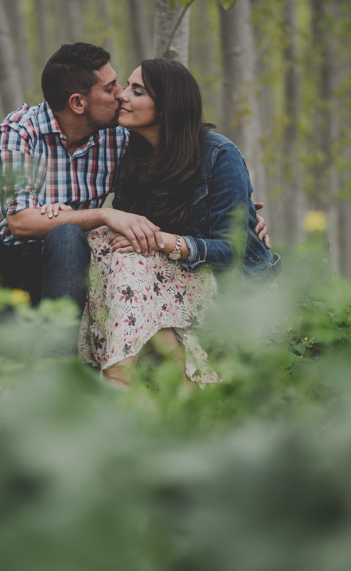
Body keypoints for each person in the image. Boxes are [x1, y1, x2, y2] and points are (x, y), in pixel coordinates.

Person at [0, 43, 269, 319]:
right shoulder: (20, 131)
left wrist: (242, 216)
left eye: (126, 86)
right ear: (78, 103)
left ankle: (57, 362)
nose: (121, 95)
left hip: (62, 271)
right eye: (111, 88)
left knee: (66, 234)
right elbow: (19, 222)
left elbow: (174, 181)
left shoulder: (119, 139)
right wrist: (103, 214)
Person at [77, 58, 282, 387]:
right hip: (170, 281)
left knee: (123, 250)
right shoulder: (135, 155)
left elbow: (232, 252)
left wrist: (162, 241)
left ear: (168, 105)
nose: (123, 96)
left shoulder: (219, 154)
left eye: (137, 91)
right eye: (126, 87)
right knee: (102, 239)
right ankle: (173, 370)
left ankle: (123, 374)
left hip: (231, 287)